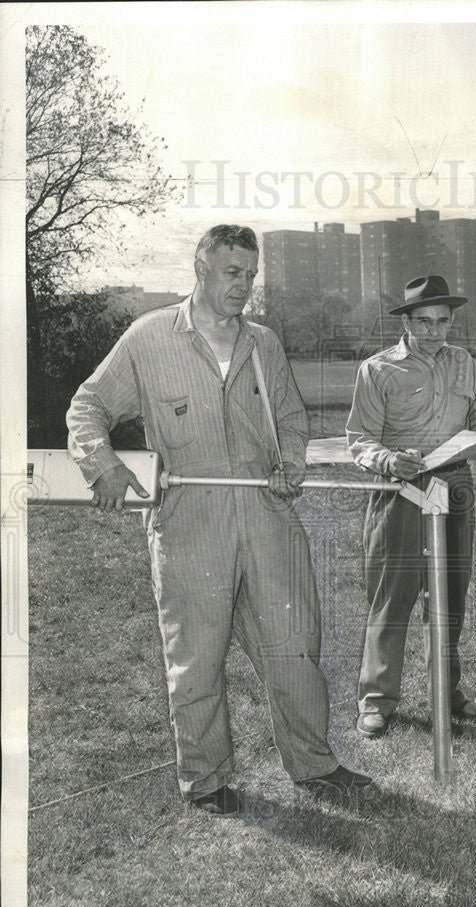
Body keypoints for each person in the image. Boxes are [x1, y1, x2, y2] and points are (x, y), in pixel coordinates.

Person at [66, 224, 370, 814]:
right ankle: (206, 781)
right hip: (189, 521)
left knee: (293, 644)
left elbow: (290, 417)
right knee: (196, 654)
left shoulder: (264, 343)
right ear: (201, 271)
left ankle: (314, 764)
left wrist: (291, 463)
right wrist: (99, 462)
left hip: (267, 514)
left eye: (252, 276)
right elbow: (89, 405)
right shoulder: (149, 337)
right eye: (233, 273)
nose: (245, 287)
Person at [345, 275, 476, 738]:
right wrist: (390, 459)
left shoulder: (464, 362)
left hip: (455, 488)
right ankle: (376, 700)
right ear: (406, 322)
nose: (434, 331)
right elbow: (359, 439)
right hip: (401, 491)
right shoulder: (378, 369)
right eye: (424, 322)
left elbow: (470, 425)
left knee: (450, 596)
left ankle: (446, 694)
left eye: (443, 321)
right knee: (392, 597)